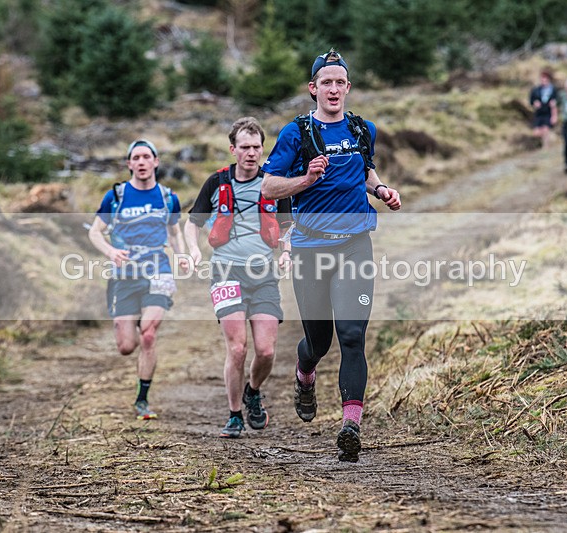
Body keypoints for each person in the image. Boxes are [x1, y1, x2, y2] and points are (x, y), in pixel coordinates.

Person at [260, 50, 401, 462]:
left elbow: (366, 170)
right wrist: (306, 178)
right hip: (310, 249)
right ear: (313, 88)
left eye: (340, 82)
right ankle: (305, 374)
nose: (334, 89)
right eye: (326, 82)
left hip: (356, 243)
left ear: (348, 88)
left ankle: (350, 427)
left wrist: (381, 190)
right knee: (319, 341)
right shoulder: (296, 133)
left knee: (353, 336)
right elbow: (268, 189)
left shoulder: (362, 128)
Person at [184, 117, 293, 439]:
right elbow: (192, 222)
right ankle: (234, 415)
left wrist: (287, 251)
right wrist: (192, 250)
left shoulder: (274, 184)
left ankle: (253, 390)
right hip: (225, 271)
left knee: (266, 350)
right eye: (244, 147)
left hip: (263, 275)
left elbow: (288, 226)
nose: (251, 153)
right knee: (237, 349)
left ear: (262, 149)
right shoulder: (216, 183)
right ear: (233, 149)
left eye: (256, 147)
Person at [88, 139, 188, 420]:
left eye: (147, 157)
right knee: (126, 346)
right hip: (125, 276)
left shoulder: (168, 197)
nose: (142, 162)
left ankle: (142, 400)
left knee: (148, 334)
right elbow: (95, 232)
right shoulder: (116, 197)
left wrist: (181, 256)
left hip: (159, 271)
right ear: (129, 164)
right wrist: (110, 251)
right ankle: (128, 320)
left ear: (156, 162)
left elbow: (174, 232)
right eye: (136, 158)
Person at [529, 69, 558, 147]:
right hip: (539, 112)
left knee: (546, 129)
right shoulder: (536, 90)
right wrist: (534, 103)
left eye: (545, 78)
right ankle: (544, 142)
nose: (543, 80)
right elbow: (531, 100)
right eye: (542, 78)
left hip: (548, 111)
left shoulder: (552, 89)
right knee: (536, 132)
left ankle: (546, 146)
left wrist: (554, 115)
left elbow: (555, 103)